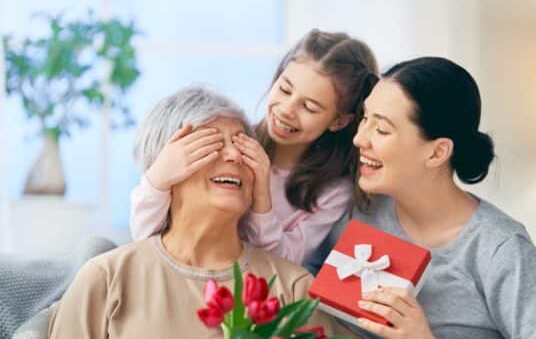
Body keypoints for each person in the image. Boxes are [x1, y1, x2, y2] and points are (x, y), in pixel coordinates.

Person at [307, 57, 536, 339]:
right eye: (364, 118)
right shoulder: (360, 212)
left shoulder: (498, 248)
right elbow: (300, 287)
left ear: (436, 153)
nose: (360, 139)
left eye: (382, 130)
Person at [48, 85, 336, 338]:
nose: (234, 155)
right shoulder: (106, 279)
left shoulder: (294, 288)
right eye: (210, 144)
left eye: (242, 145)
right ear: (165, 165)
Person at [130, 29, 379, 265]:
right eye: (284, 89)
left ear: (339, 121)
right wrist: (158, 178)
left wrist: (262, 198)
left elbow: (284, 267)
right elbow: (150, 239)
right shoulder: (231, 149)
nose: (286, 110)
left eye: (310, 107)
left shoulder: (332, 191)